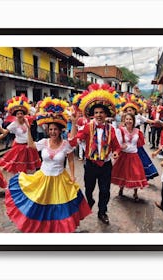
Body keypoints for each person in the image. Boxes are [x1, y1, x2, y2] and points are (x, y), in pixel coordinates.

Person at [5, 97, 91, 233]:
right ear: (47, 130)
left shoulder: (65, 145)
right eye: (50, 129)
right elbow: (31, 146)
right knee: (40, 202)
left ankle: (59, 227)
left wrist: (73, 176)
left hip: (59, 178)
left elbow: (70, 160)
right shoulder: (44, 142)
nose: (52, 132)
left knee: (60, 204)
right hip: (43, 177)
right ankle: (42, 225)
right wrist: (28, 129)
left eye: (55, 129)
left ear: (60, 130)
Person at [69, 83, 121, 225]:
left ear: (106, 114)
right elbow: (75, 140)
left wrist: (116, 153)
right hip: (90, 164)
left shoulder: (111, 130)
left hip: (105, 166)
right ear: (93, 114)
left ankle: (102, 212)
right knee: (89, 189)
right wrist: (73, 125)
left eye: (101, 113)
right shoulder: (87, 127)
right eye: (96, 112)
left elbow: (117, 147)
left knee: (105, 191)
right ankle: (90, 200)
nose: (99, 115)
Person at [0, 94, 41, 174]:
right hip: (19, 147)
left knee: (30, 166)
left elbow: (34, 117)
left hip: (29, 146)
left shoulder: (27, 120)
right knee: (20, 167)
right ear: (16, 115)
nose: (20, 115)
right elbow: (5, 132)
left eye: (21, 113)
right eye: (18, 114)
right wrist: (0, 129)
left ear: (24, 114)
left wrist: (38, 108)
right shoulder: (13, 124)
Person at [119, 95, 159, 180]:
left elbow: (147, 120)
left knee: (140, 157)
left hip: (136, 140)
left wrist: (157, 122)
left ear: (134, 110)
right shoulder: (125, 118)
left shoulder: (138, 117)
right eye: (126, 110)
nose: (128, 111)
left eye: (130, 110)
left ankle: (143, 175)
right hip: (128, 141)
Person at [111, 113, 149, 201]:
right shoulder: (120, 130)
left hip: (134, 155)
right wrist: (121, 146)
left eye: (130, 119)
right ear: (124, 120)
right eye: (127, 119)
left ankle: (135, 193)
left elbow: (140, 144)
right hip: (123, 155)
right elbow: (117, 143)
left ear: (133, 121)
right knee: (123, 173)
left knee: (136, 174)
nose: (128, 121)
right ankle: (121, 189)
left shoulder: (138, 131)